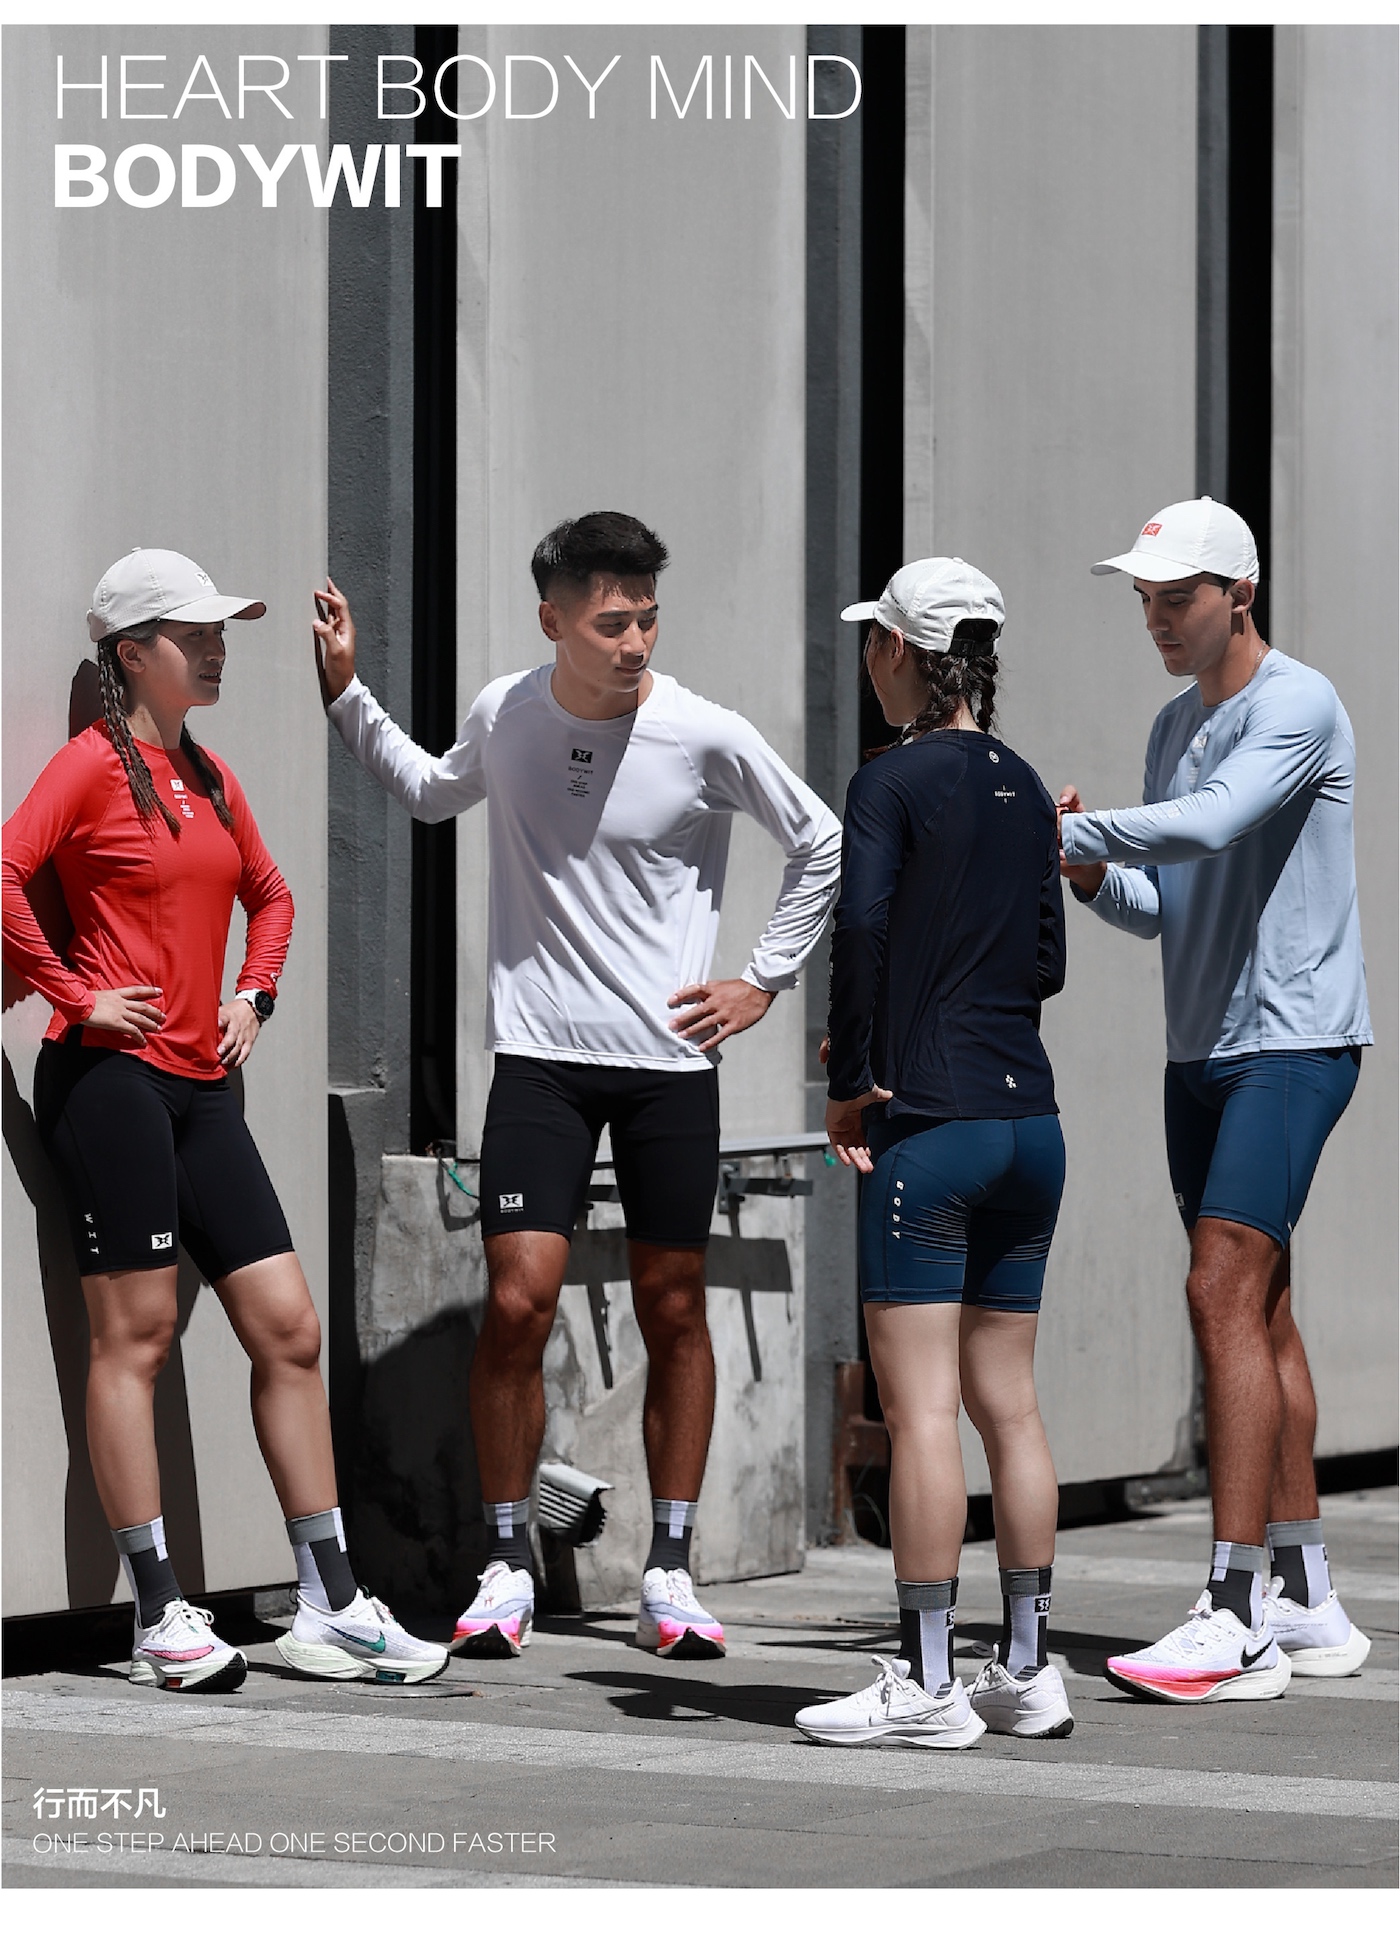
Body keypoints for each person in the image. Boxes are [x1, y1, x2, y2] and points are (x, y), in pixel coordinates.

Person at [314, 511, 842, 1661]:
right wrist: (347, 694)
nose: (635, 640)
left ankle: (668, 1568)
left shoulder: (703, 733)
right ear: (552, 620)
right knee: (516, 1302)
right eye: (611, 622)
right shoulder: (506, 713)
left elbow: (820, 840)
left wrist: (761, 980)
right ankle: (506, 1560)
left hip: (667, 1069)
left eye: (647, 617)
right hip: (541, 1061)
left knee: (672, 1308)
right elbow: (429, 792)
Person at [2, 548, 446, 1691]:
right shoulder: (87, 768)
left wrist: (255, 994)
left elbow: (273, 895)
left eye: (221, 633)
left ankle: (329, 1603)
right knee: (137, 1337)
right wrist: (74, 996)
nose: (216, 650)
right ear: (129, 653)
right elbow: (4, 873)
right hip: (107, 1085)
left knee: (289, 1330)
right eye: (193, 634)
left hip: (202, 1087)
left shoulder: (208, 773)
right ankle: (158, 1614)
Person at [1059, 497, 1373, 1703]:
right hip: (1196, 1054)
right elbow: (1164, 899)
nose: (1155, 618)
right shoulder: (1167, 726)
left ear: (1238, 594)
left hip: (1292, 1044)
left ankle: (1232, 1614)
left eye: (1176, 597)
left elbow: (1208, 826)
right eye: (1143, 599)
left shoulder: (1297, 702)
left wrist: (1050, 828)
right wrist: (1091, 874)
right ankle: (1305, 1598)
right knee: (1261, 1309)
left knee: (1216, 1289)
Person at [794, 558, 1072, 1751]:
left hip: (932, 1124)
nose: (868, 661)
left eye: (874, 642)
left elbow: (858, 926)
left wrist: (849, 1074)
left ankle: (922, 1681)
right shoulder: (1024, 782)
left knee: (918, 1411)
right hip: (1029, 1124)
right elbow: (1045, 961)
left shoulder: (887, 779)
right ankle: (1028, 1669)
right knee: (1007, 1404)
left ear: (901, 652)